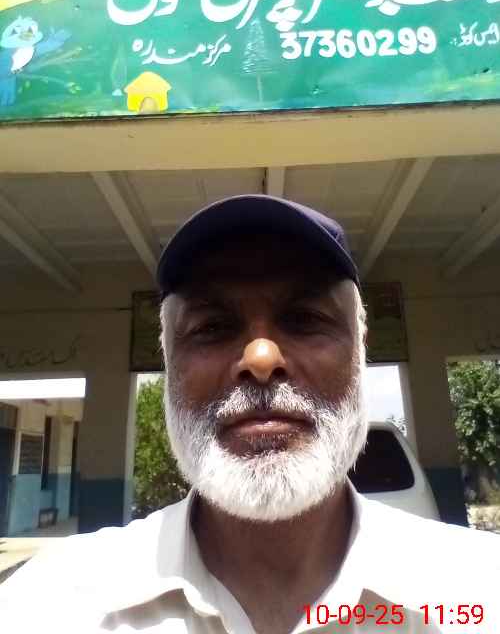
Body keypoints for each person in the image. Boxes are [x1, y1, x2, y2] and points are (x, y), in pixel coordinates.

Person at [0, 195, 498, 634]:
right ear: (169, 365)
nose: (261, 358)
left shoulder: (479, 592)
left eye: (305, 319)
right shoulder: (50, 606)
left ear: (359, 353)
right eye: (212, 327)